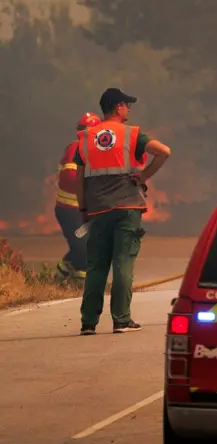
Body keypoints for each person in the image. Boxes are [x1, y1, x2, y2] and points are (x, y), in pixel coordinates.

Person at [74, 88, 172, 335]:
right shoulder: (133, 134)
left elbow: (79, 178)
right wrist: (144, 176)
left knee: (96, 266)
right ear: (118, 107)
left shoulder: (85, 138)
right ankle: (121, 320)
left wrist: (84, 208)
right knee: (123, 262)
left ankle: (88, 323)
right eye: (127, 105)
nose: (129, 109)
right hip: (127, 207)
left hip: (97, 210)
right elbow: (164, 152)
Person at [54, 112, 100, 281]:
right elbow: (69, 177)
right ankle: (81, 284)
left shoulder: (92, 151)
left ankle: (62, 274)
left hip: (83, 212)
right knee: (83, 248)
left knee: (85, 244)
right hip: (71, 211)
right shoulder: (77, 148)